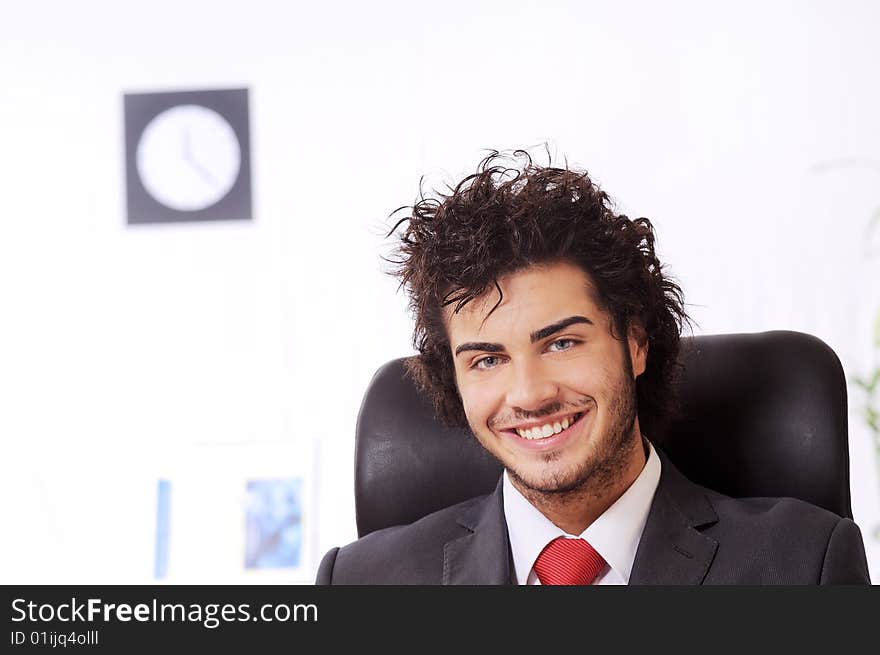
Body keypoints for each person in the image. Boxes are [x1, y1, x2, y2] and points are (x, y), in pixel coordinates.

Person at [316, 150, 871, 585]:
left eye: (561, 344)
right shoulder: (360, 583)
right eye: (488, 359)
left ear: (634, 341)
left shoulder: (805, 564)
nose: (529, 394)